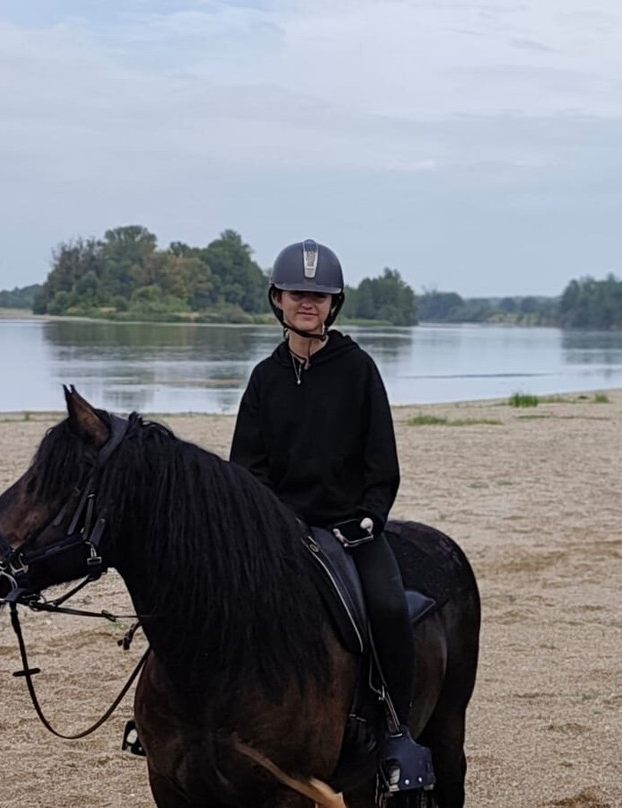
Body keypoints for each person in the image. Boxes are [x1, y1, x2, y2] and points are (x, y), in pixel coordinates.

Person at [229, 238, 434, 792]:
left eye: (319, 296)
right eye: (298, 293)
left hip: (351, 533)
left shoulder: (359, 369)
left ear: (333, 304)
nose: (308, 303)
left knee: (390, 607)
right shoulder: (264, 379)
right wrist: (271, 526)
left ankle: (396, 732)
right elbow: (247, 468)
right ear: (278, 299)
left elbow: (381, 463)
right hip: (282, 536)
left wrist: (368, 517)